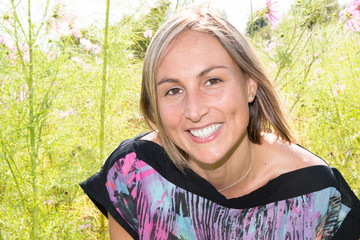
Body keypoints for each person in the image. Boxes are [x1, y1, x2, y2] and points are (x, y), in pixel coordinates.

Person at [80, 8, 360, 240]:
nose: (194, 110)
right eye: (173, 90)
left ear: (250, 84)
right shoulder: (135, 173)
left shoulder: (316, 197)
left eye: (212, 81)